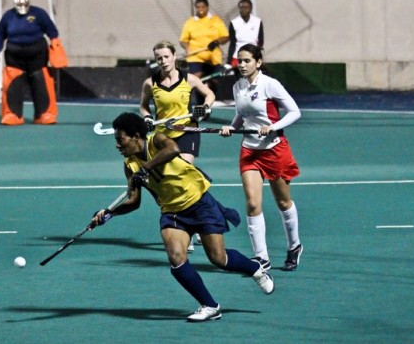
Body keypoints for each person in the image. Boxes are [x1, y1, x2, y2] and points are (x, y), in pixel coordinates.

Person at [90, 112, 274, 322]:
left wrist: (146, 168)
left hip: (199, 202)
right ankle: (210, 306)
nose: (117, 145)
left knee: (219, 259)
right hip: (172, 212)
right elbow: (134, 201)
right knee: (176, 258)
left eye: (120, 139)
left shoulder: (156, 140)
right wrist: (109, 213)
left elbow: (173, 149)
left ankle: (255, 269)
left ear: (136, 136)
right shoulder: (129, 165)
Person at [219, 44, 303, 272]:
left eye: (247, 61)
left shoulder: (270, 84)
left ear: (258, 62)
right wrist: (231, 127)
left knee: (283, 202)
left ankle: (294, 246)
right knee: (253, 203)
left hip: (274, 149)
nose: (242, 65)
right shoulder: (238, 87)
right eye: (240, 61)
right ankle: (261, 258)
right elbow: (241, 114)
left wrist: (272, 127)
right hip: (249, 150)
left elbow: (295, 112)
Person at [139, 40, 216, 250]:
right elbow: (143, 106)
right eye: (159, 58)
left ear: (174, 56)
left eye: (166, 56)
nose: (163, 61)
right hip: (164, 137)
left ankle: (192, 227)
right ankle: (189, 223)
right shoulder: (150, 83)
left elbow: (209, 94)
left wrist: (204, 107)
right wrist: (147, 117)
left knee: (183, 171)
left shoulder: (189, 79)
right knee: (171, 182)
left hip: (187, 131)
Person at [0, 0, 63, 125]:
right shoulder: (8, 16)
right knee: (13, 84)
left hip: (37, 55)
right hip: (14, 56)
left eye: (24, 3)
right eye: (19, 4)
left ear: (28, 1)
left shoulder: (39, 13)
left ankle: (44, 114)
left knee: (41, 81)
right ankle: (12, 114)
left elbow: (52, 30)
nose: (22, 6)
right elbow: (0, 35)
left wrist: (55, 44)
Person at [179, 0, 229, 102]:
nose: (201, 9)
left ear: (207, 7)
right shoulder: (190, 22)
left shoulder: (215, 20)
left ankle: (209, 101)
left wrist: (216, 42)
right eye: (198, 7)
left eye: (203, 7)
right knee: (196, 79)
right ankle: (196, 103)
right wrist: (187, 47)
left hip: (213, 57)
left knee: (214, 82)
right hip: (195, 57)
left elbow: (225, 37)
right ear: (195, 8)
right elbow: (183, 40)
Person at [226, 0, 264, 68]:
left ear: (251, 9)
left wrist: (257, 56)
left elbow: (260, 42)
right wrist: (228, 62)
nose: (244, 10)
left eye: (246, 8)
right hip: (238, 57)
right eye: (242, 7)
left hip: (252, 56)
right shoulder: (234, 23)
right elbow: (232, 44)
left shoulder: (258, 22)